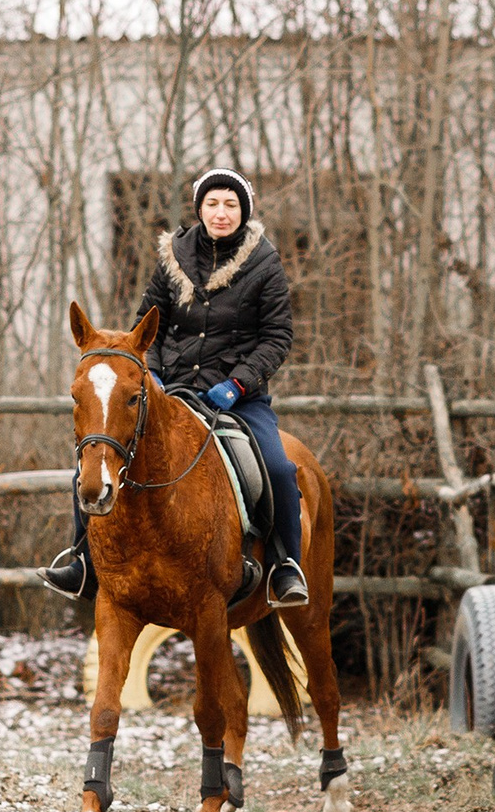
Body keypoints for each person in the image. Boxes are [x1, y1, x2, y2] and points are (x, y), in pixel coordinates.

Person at [41, 168, 309, 609]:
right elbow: (147, 329)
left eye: (231, 205)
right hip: (169, 389)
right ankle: (83, 560)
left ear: (243, 211)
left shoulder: (265, 263)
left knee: (279, 469)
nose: (221, 213)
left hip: (237, 396)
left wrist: (238, 382)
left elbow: (277, 337)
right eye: (213, 204)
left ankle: (285, 566)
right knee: (96, 459)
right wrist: (156, 374)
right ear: (199, 208)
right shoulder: (173, 257)